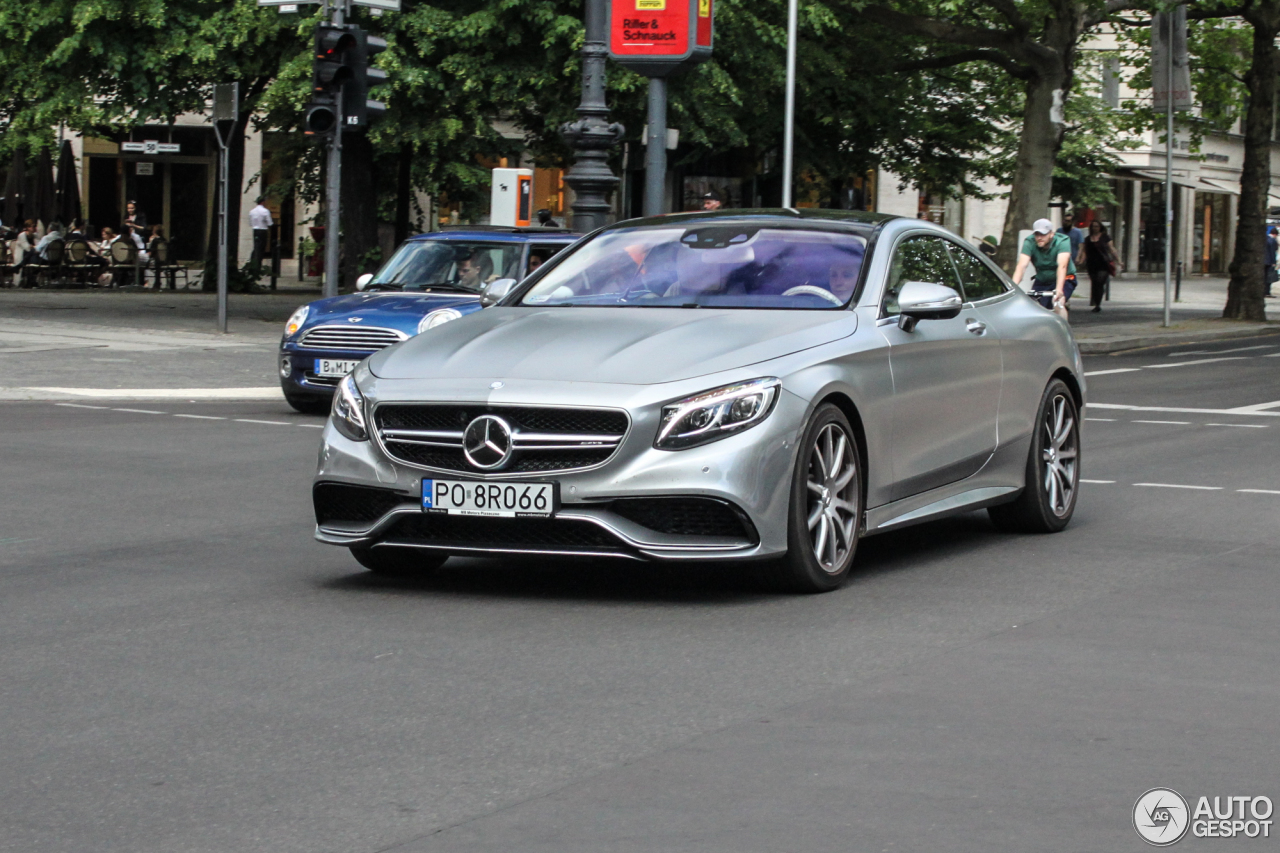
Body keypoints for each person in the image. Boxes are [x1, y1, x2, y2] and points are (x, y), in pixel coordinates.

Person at [1011, 217, 1077, 314]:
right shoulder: (1029, 242)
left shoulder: (1062, 241)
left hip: (1065, 278)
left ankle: (1063, 328)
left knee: (1057, 303)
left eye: (1043, 234)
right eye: (1037, 234)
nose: (1039, 237)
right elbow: (1021, 266)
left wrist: (1059, 289)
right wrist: (1013, 287)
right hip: (1042, 280)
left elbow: (1062, 266)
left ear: (1051, 234)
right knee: (1034, 306)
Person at [1077, 220, 1121, 312]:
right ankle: (1097, 300)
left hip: (1103, 263)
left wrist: (1119, 261)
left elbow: (1112, 249)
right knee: (1095, 283)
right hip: (1092, 264)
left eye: (1097, 226)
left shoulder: (1105, 237)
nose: (1095, 228)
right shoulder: (1088, 239)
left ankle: (1098, 304)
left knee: (1100, 282)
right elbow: (1085, 251)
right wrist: (1081, 260)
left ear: (1100, 227)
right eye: (1093, 226)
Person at [249, 197, 272, 274]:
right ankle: (257, 266)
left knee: (256, 247)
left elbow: (251, 223)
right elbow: (269, 223)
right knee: (261, 248)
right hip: (263, 230)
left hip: (255, 230)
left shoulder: (252, 211)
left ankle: (253, 264)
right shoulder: (265, 211)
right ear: (263, 202)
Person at [1265, 226, 1277, 298]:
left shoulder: (1265, 239)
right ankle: (1267, 292)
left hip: (1263, 261)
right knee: (1269, 278)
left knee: (1264, 277)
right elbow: (1273, 252)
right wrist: (1274, 261)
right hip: (1269, 261)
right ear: (1275, 234)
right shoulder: (1272, 241)